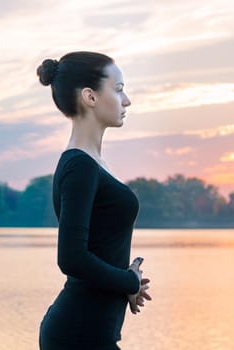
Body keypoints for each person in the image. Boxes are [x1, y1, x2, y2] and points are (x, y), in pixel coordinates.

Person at [36, 51, 152, 350]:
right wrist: (129, 282)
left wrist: (123, 284)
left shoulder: (92, 164)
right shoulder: (80, 167)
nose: (126, 100)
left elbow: (97, 249)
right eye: (118, 89)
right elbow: (72, 258)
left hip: (92, 332)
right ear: (90, 97)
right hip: (78, 335)